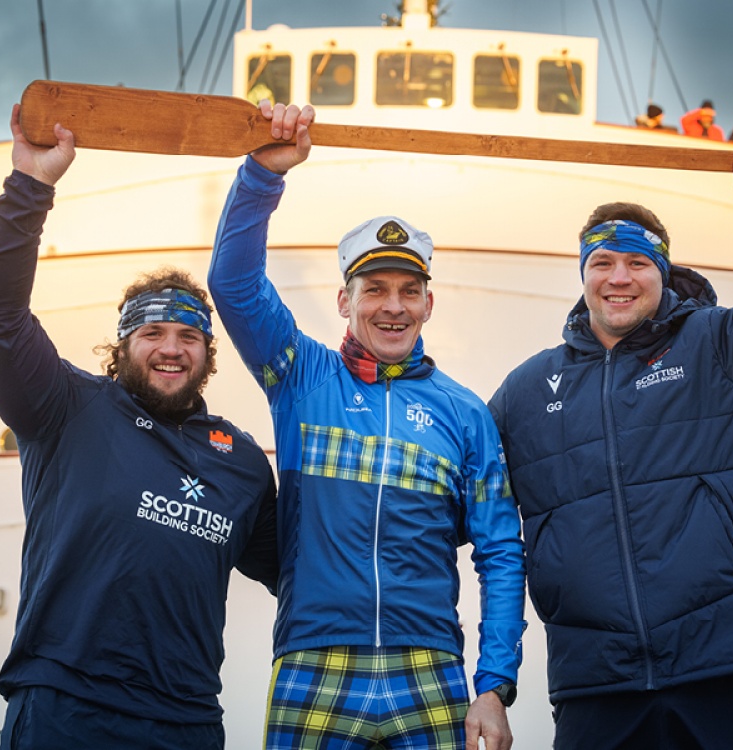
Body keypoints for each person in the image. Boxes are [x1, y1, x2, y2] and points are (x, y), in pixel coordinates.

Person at [488, 131, 733, 749]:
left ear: (663, 272)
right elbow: (458, 494)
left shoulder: (726, 345)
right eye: (602, 263)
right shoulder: (526, 390)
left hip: (726, 662)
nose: (619, 277)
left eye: (638, 263)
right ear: (583, 275)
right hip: (597, 679)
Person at [208, 101, 526, 750]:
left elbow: (500, 552)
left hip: (430, 666)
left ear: (429, 303)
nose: (392, 306)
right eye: (374, 288)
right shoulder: (301, 376)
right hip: (313, 659)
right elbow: (233, 284)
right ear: (344, 300)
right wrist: (263, 175)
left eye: (408, 291)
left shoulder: (465, 413)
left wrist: (494, 684)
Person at [0, 105, 279, 750]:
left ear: (208, 354)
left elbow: (302, 570)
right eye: (152, 332)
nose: (171, 348)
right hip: (64, 709)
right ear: (123, 345)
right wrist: (31, 186)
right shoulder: (65, 408)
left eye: (189, 335)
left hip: (188, 721)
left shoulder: (242, 463)